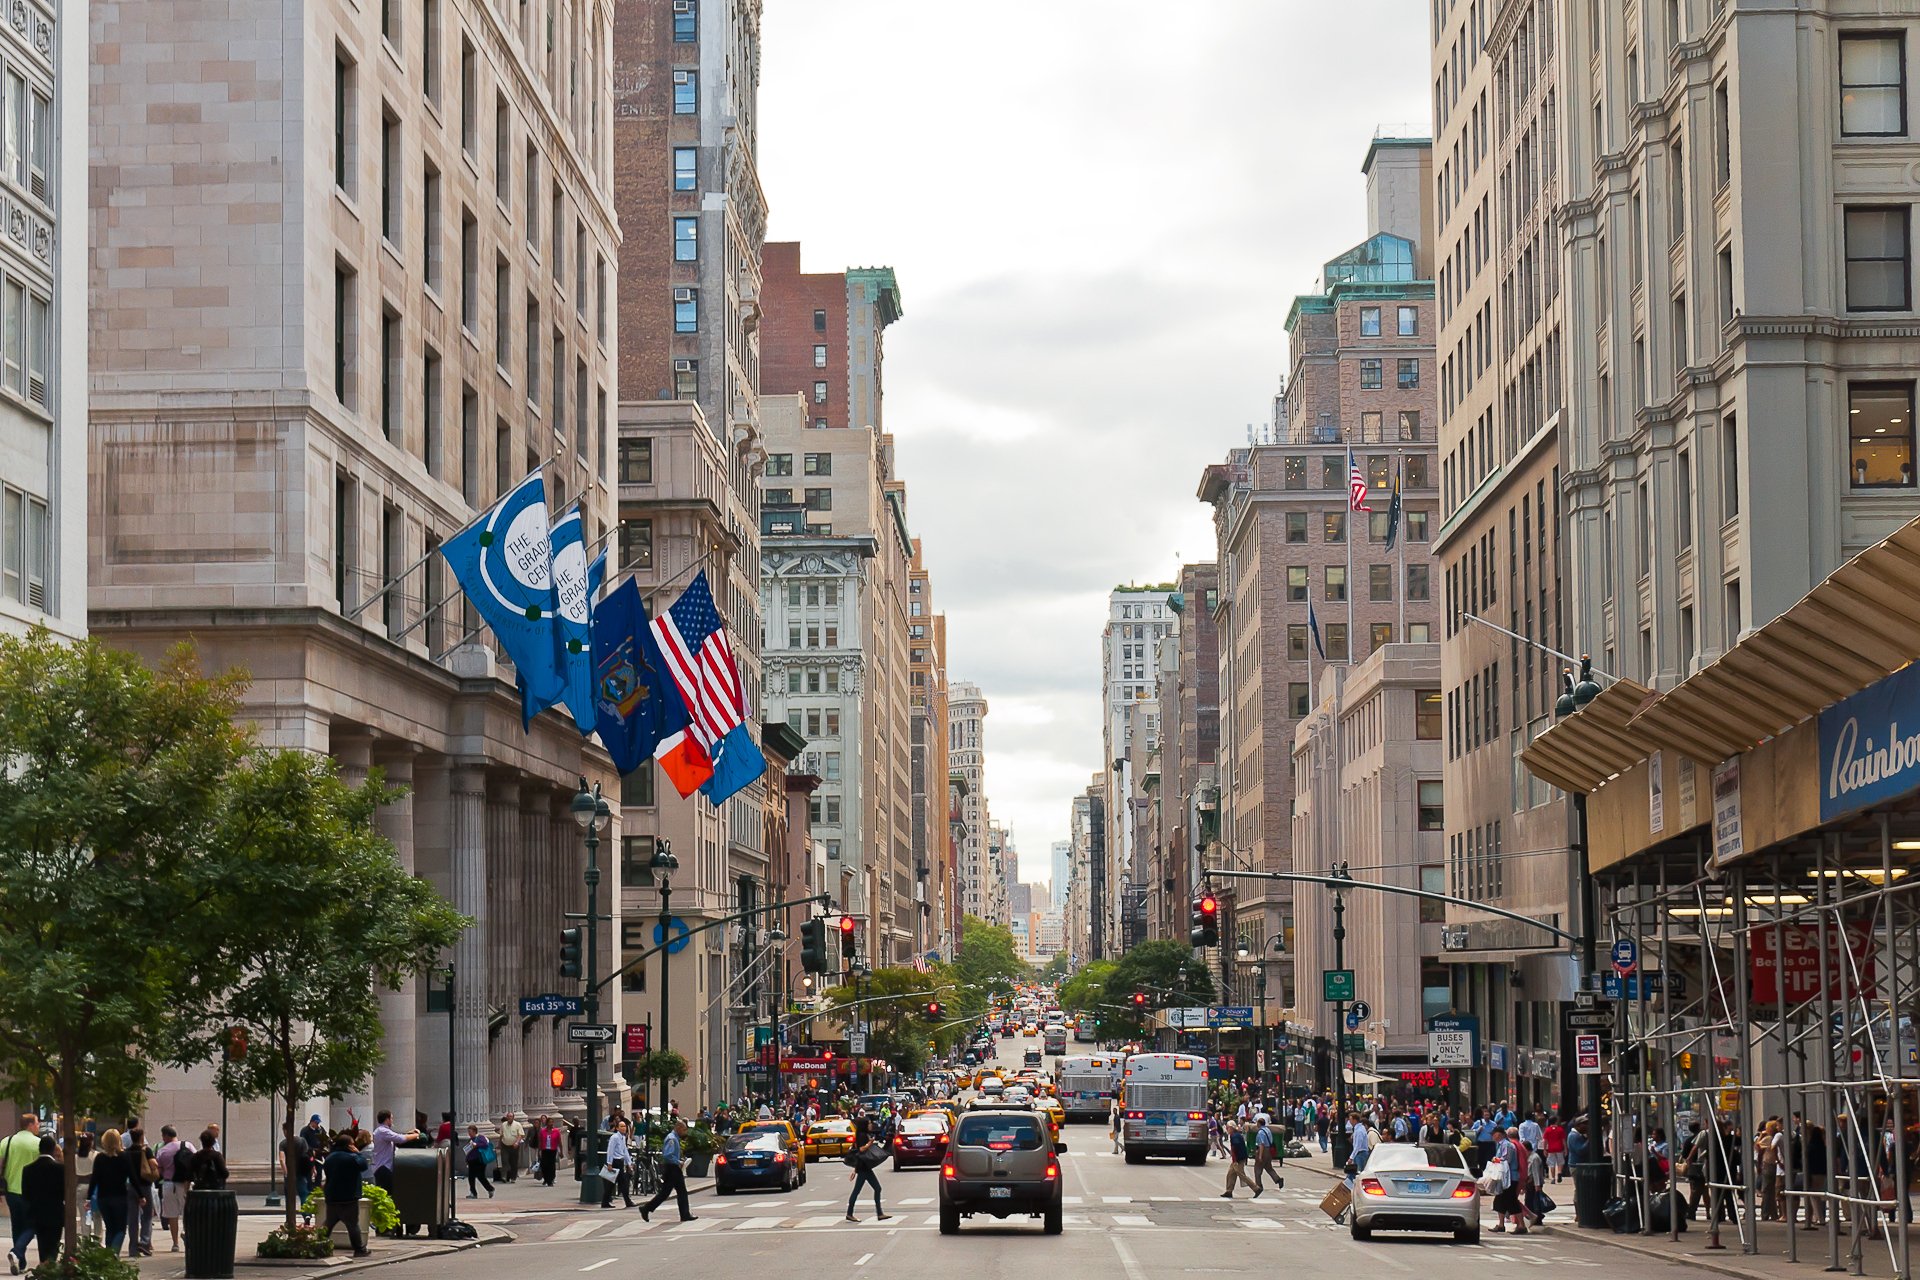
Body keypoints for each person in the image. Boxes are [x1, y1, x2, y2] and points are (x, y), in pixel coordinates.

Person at [1, 1113, 42, 1275]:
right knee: (32, 1225)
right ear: (30, 1124)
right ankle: (17, 1252)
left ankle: (21, 1261)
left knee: (16, 1225)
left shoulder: (8, 1141)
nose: (38, 1126)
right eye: (37, 1123)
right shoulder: (37, 1143)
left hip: (11, 1191)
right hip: (30, 1192)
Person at [321, 1133, 371, 1258]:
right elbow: (363, 1165)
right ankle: (359, 1249)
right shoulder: (352, 1157)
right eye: (352, 1144)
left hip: (332, 1196)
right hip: (349, 1196)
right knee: (352, 1224)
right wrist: (358, 1153)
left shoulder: (330, 1157)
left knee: (328, 1223)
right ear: (349, 1146)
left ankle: (318, 1246)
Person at [638, 1120, 695, 1223]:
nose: (684, 1132)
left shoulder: (674, 1138)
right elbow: (668, 1155)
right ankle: (646, 1208)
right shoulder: (672, 1139)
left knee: (674, 1192)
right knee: (673, 1192)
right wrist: (678, 1162)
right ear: (678, 1128)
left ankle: (684, 1214)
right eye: (683, 1129)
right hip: (672, 1168)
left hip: (673, 1168)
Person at [88, 1129, 134, 1254]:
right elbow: (132, 1177)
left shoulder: (100, 1158)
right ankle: (114, 1253)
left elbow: (94, 1178)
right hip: (120, 1196)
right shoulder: (124, 1157)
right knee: (120, 1229)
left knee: (110, 1228)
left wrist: (89, 1197)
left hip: (103, 1197)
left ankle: (108, 1255)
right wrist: (141, 1195)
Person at [19, 1141, 59, 1268]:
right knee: (53, 1246)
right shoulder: (60, 1169)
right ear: (53, 1149)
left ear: (39, 1149)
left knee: (42, 1245)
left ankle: (44, 1266)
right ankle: (49, 1268)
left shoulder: (28, 1169)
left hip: (37, 1213)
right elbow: (64, 1193)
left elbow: (25, 1195)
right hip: (55, 1213)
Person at [842, 1115, 889, 1224]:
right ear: (864, 1125)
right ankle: (878, 1213)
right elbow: (861, 1150)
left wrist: (855, 1169)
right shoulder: (862, 1136)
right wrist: (869, 1143)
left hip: (862, 1166)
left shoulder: (861, 1134)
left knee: (860, 1190)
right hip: (864, 1167)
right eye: (868, 1123)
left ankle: (878, 1213)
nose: (870, 1125)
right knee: (876, 1188)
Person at [156, 1127, 192, 1253]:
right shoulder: (187, 1145)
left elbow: (159, 1170)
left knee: (172, 1215)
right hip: (185, 1183)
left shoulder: (162, 1151)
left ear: (165, 1136)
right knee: (187, 1211)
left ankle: (175, 1243)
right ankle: (186, 1232)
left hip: (168, 1184)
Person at [368, 1111, 417, 1194]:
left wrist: (409, 1133)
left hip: (383, 1167)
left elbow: (396, 1136)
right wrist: (416, 1135)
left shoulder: (382, 1131)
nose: (392, 1120)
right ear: (387, 1119)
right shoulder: (383, 1131)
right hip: (383, 1168)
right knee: (387, 1193)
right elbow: (400, 1139)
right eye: (391, 1118)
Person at [126, 1126, 157, 1256]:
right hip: (144, 1185)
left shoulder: (126, 1152)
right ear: (141, 1137)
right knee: (147, 1216)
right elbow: (153, 1164)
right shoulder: (146, 1151)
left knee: (132, 1218)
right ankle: (144, 1242)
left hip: (130, 1186)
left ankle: (133, 1247)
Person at [599, 1120, 633, 1210]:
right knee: (614, 1183)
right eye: (621, 1126)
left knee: (620, 1183)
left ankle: (607, 1202)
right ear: (617, 1128)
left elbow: (624, 1151)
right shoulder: (614, 1137)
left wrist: (629, 1163)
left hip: (620, 1162)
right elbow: (610, 1150)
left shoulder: (622, 1137)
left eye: (624, 1126)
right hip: (615, 1162)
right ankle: (607, 1202)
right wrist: (609, 1163)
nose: (624, 1128)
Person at [1221, 1122, 1257, 1198]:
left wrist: (1236, 1159)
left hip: (1238, 1159)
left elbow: (1236, 1147)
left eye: (1228, 1128)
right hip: (1237, 1159)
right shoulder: (1235, 1135)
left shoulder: (1235, 1136)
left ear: (1231, 1128)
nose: (1227, 1129)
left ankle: (1256, 1188)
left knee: (1242, 1175)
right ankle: (1229, 1191)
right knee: (1231, 1174)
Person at [463, 1125, 494, 1199]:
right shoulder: (470, 1140)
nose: (469, 1133)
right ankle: (473, 1193)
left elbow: (485, 1144)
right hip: (471, 1161)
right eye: (468, 1132)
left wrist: (477, 1145)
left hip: (479, 1160)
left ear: (474, 1131)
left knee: (481, 1176)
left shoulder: (480, 1138)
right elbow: (468, 1151)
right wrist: (467, 1159)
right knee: (471, 1177)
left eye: (470, 1131)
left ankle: (490, 1189)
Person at [1252, 1115, 1281, 1192]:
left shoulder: (1261, 1132)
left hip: (1263, 1151)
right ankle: (1278, 1179)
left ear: (1259, 1124)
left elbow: (1261, 1144)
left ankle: (1258, 1186)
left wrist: (1260, 1156)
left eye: (1257, 1123)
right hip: (1269, 1151)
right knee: (1269, 1167)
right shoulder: (1268, 1130)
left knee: (1257, 1169)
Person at [536, 1116, 563, 1187]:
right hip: (545, 1150)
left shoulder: (556, 1131)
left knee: (551, 1165)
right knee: (544, 1165)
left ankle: (550, 1180)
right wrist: (539, 1151)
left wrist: (561, 1151)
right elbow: (540, 1141)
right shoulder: (542, 1131)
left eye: (552, 1122)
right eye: (549, 1122)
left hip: (552, 1150)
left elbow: (559, 1142)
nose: (551, 1123)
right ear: (547, 1123)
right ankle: (546, 1178)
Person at [498, 1113, 525, 1184]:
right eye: (508, 1116)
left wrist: (517, 1142)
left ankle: (513, 1177)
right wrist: (499, 1144)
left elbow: (520, 1135)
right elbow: (501, 1135)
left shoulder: (517, 1124)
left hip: (514, 1146)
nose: (509, 1118)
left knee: (514, 1162)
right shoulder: (503, 1125)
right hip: (505, 1145)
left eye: (510, 1116)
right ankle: (504, 1176)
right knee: (504, 1160)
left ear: (513, 1117)